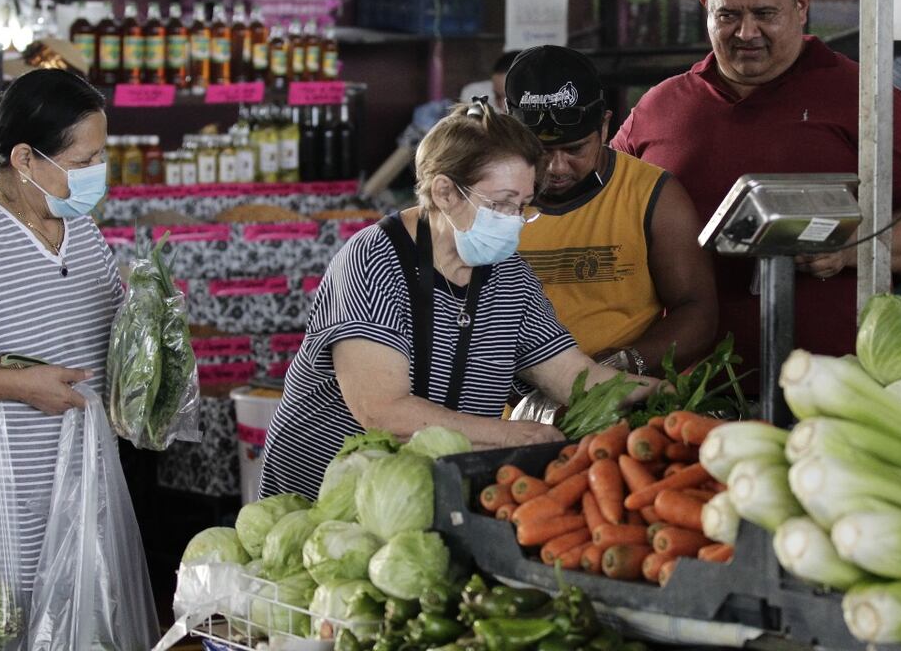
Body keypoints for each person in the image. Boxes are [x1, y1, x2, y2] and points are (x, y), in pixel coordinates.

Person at [259, 100, 661, 501]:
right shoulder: (373, 260)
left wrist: (658, 394)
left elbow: (575, 379)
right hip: (325, 491)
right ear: (445, 191)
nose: (513, 221)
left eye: (521, 207)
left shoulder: (510, 278)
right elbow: (382, 410)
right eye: (500, 204)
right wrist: (509, 435)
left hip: (423, 489)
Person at [612, 0, 901, 380]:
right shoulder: (659, 108)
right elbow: (601, 207)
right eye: (728, 15)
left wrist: (848, 247)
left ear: (802, 5)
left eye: (765, 14)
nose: (746, 32)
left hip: (835, 385)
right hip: (686, 394)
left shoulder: (865, 97)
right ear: (703, 7)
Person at [0, 69, 122, 598]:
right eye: (83, 162)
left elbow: (100, 317)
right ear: (24, 159)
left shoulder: (78, 224)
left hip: (86, 490)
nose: (98, 172)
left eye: (101, 156)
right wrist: (16, 385)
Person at [504, 45, 718, 387]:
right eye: (540, 152)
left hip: (619, 410)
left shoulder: (652, 194)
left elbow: (697, 312)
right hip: (504, 413)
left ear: (605, 128)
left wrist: (620, 366)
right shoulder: (484, 198)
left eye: (575, 149)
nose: (557, 167)